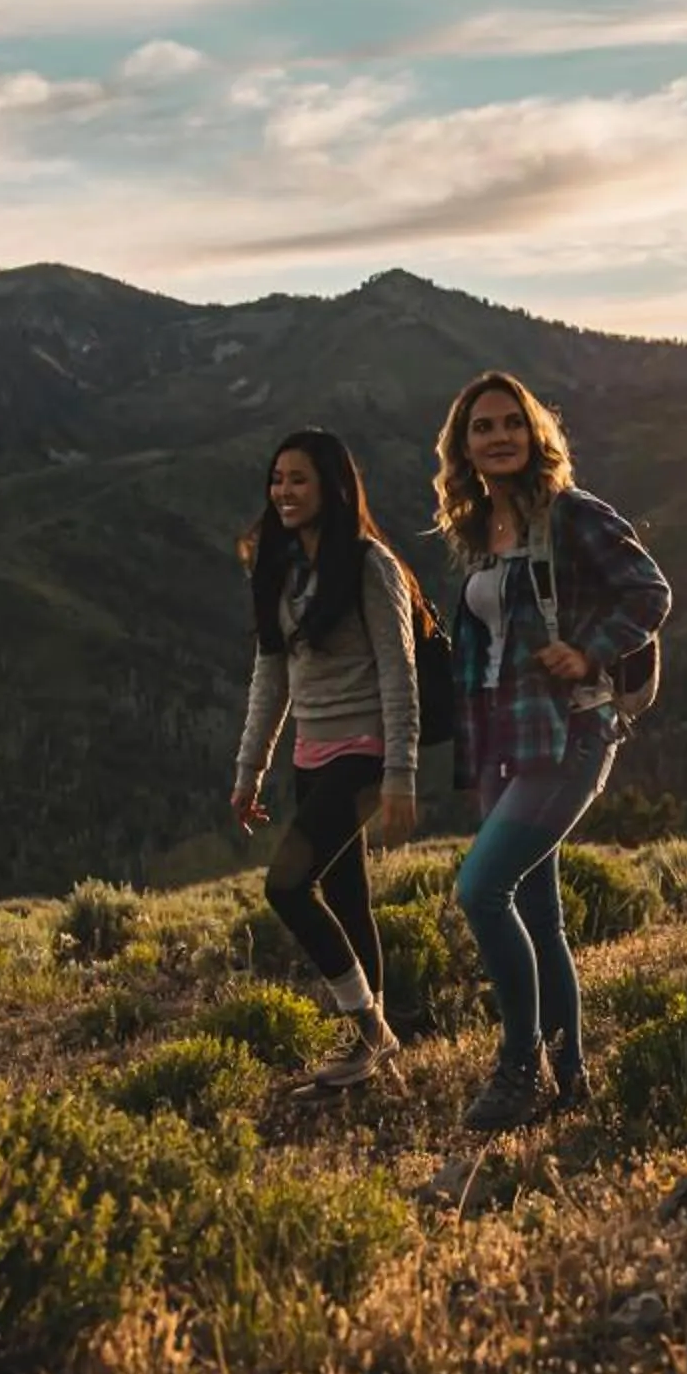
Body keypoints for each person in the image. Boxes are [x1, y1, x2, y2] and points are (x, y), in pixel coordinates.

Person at [434, 370, 671, 1131]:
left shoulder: (571, 514)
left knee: (479, 891)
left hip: (572, 730)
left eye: (511, 423)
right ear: (462, 448)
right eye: (482, 428)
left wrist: (588, 651)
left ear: (536, 435)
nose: (498, 437)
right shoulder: (477, 533)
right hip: (504, 739)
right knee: (539, 915)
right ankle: (569, 1079)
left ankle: (517, 1069)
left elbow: (649, 590)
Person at [231, 428, 421, 1090]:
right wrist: (249, 769)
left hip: (364, 753)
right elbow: (270, 677)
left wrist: (400, 773)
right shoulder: (280, 569)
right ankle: (373, 1048)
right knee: (345, 894)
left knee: (285, 885)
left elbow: (400, 673)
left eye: (299, 479)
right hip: (311, 753)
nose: (283, 491)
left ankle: (370, 1029)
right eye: (277, 479)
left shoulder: (371, 566)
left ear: (333, 487)